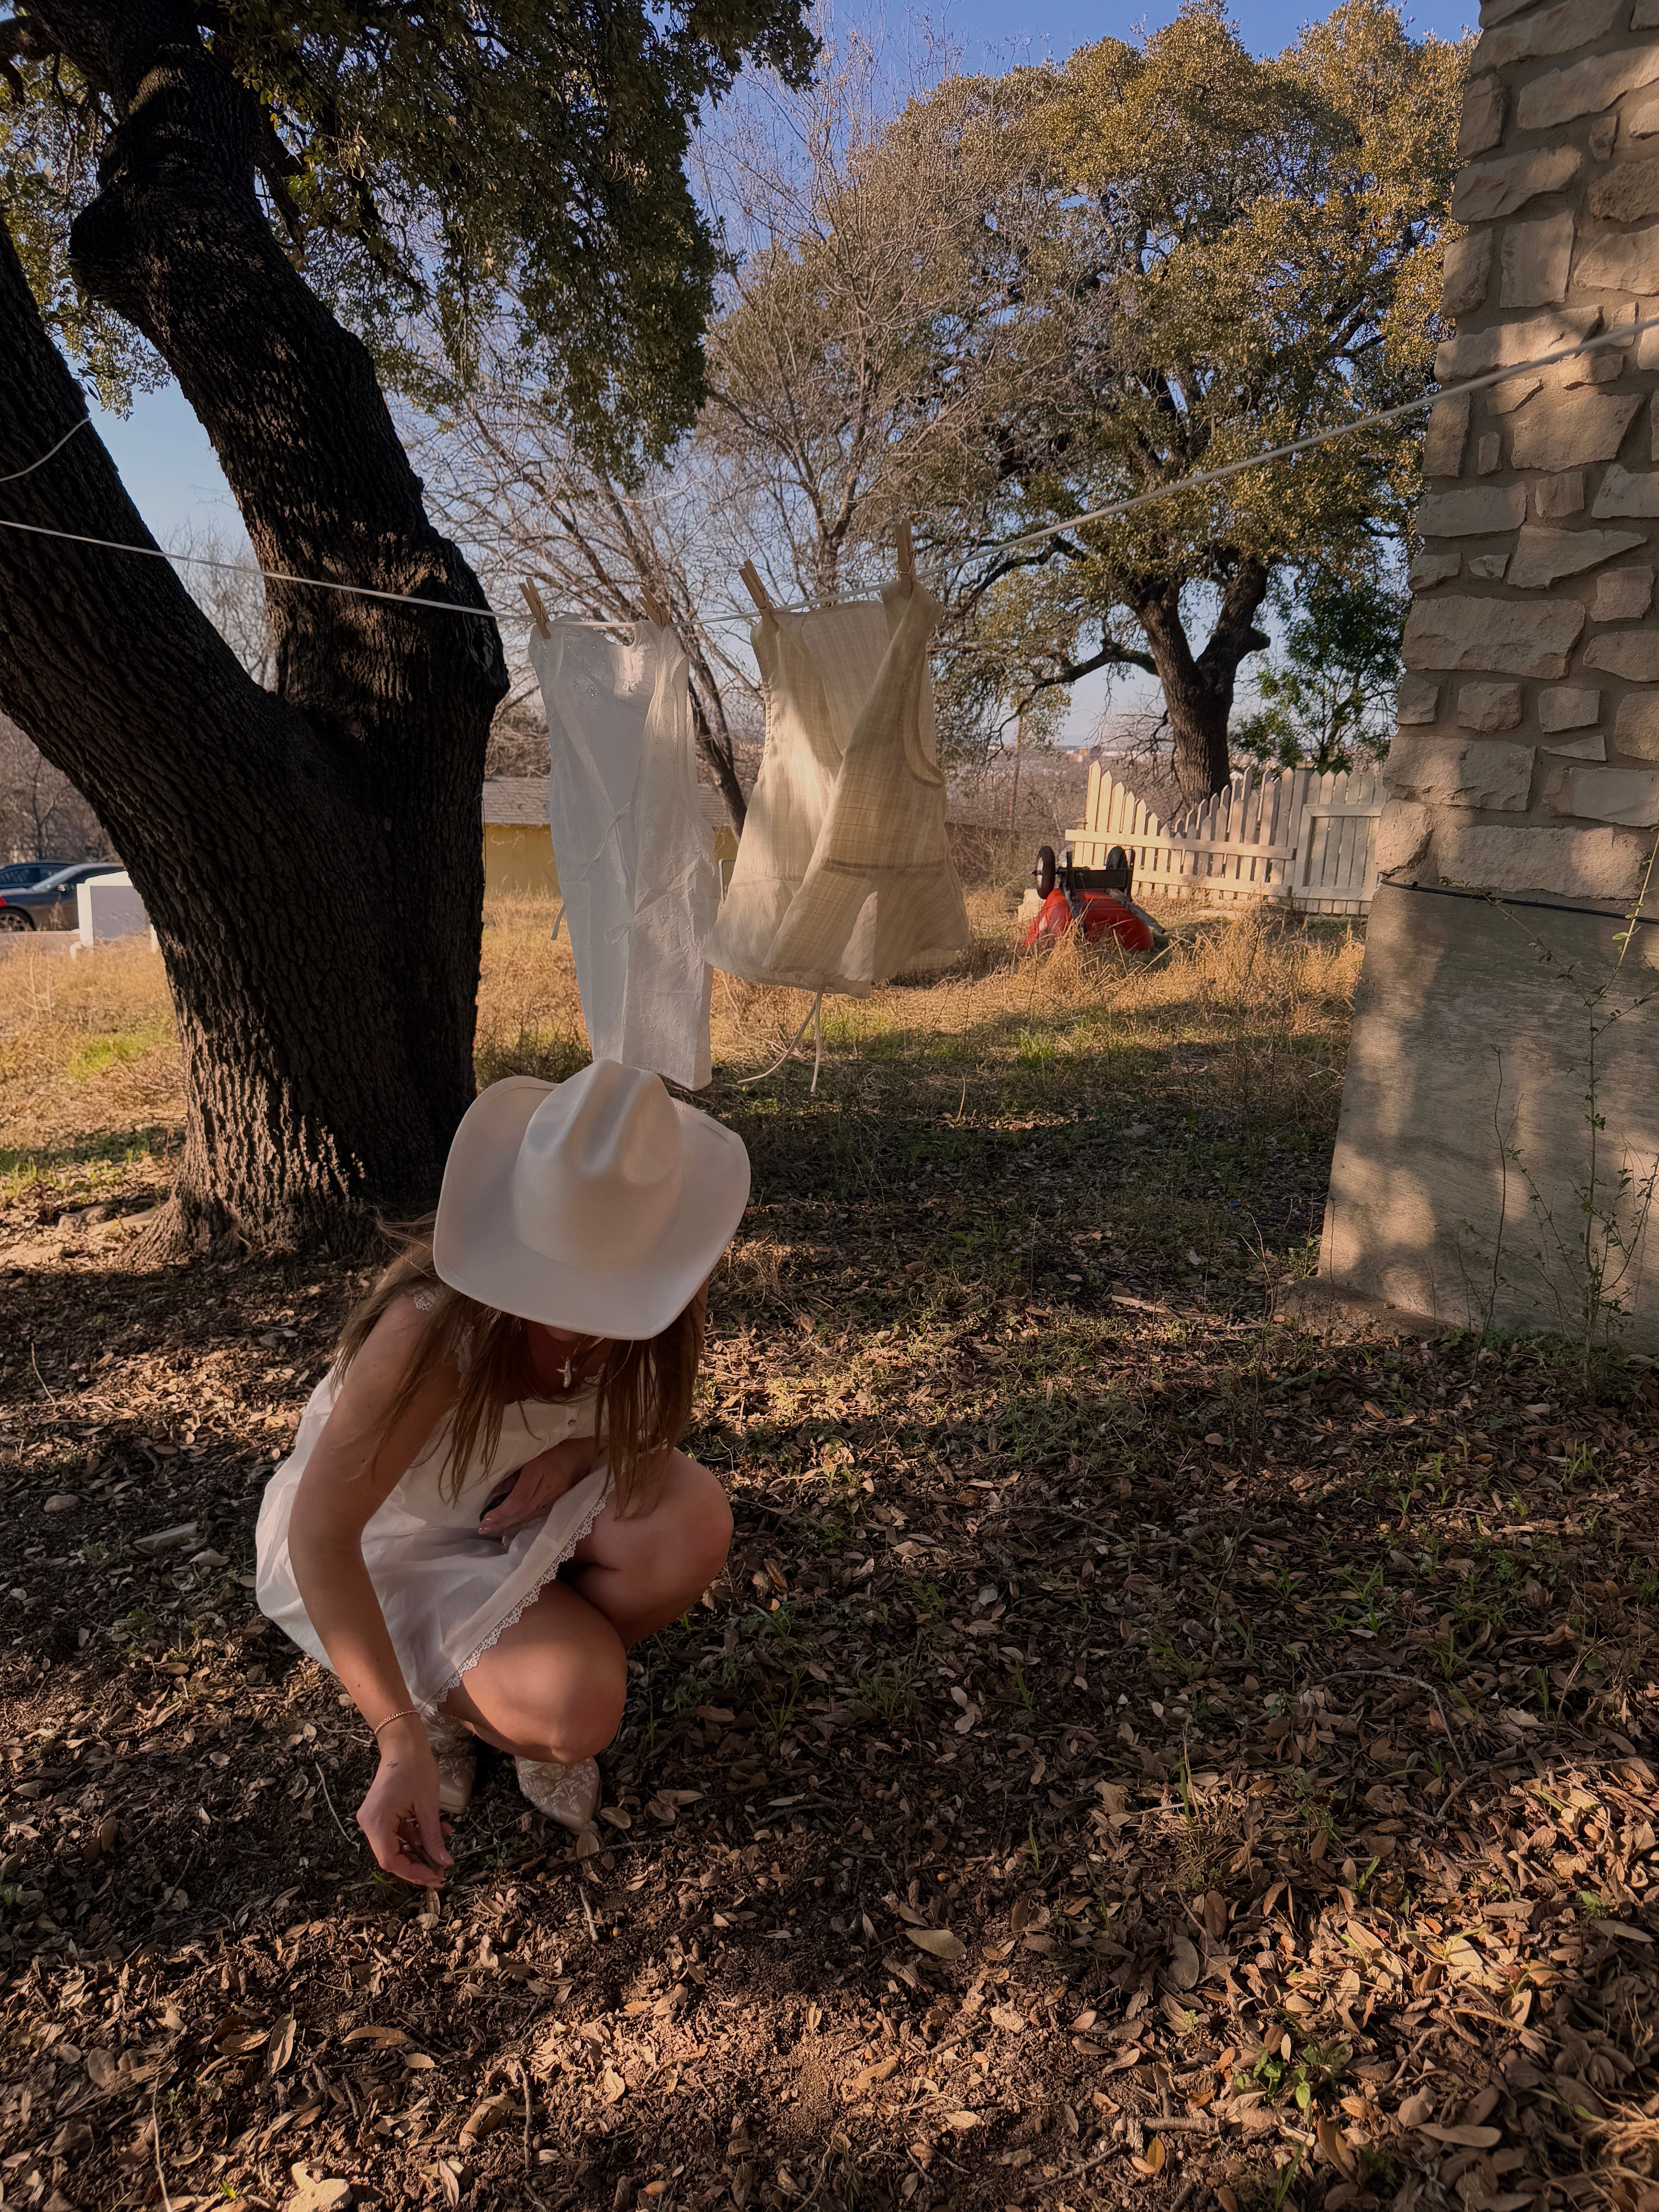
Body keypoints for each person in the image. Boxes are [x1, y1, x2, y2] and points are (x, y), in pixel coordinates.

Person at [254, 1059, 749, 1889]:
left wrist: (576, 1453)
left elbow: (640, 1432)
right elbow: (323, 1533)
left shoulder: (668, 1294)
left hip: (511, 1505)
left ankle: (503, 1681)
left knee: (692, 1517)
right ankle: (447, 1708)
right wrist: (395, 1734)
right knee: (579, 1707)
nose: (593, 1321)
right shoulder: (433, 1335)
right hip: (388, 1548)